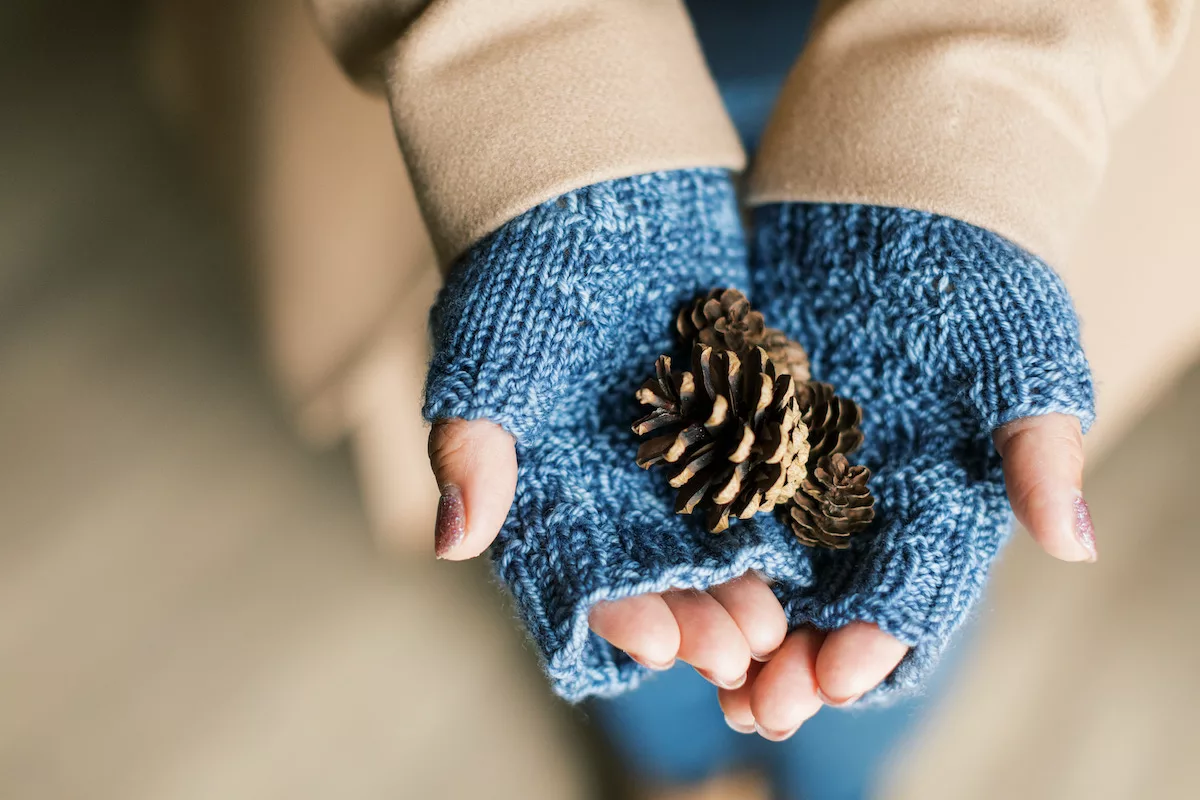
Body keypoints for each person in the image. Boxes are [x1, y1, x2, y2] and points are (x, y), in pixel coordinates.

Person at [301, 0, 1193, 796]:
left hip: (954, 99)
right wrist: (542, 100)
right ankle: (675, 770)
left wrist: (967, 128)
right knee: (652, 598)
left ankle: (835, 776)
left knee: (889, 578)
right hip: (580, 85)